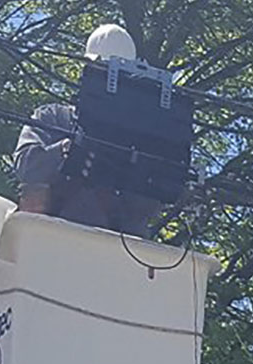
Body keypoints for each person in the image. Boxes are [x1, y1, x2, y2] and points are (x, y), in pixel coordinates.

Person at [13, 24, 161, 238]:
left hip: (112, 251)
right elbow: (27, 166)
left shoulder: (138, 140)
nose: (109, 84)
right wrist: (69, 147)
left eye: (117, 77)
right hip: (46, 242)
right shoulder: (53, 118)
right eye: (102, 73)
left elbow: (147, 209)